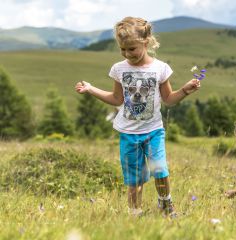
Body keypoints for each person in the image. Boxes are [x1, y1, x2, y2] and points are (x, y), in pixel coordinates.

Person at [75, 16, 201, 217]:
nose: (127, 53)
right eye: (122, 49)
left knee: (160, 170)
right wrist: (91, 89)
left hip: (153, 131)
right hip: (128, 133)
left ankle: (165, 205)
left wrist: (185, 90)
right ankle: (135, 214)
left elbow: (168, 99)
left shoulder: (160, 68)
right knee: (134, 179)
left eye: (131, 49)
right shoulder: (118, 69)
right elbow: (116, 99)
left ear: (146, 41)